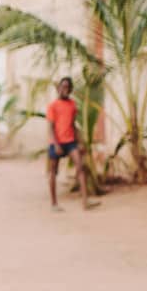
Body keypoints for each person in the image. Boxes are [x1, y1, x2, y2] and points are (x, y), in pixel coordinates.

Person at [46, 77, 99, 211]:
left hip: (70, 142)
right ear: (58, 88)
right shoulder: (53, 106)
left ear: (70, 89)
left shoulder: (72, 105)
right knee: (53, 171)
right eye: (62, 86)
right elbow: (51, 127)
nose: (65, 89)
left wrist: (81, 142)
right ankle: (54, 204)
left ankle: (85, 202)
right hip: (56, 143)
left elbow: (73, 125)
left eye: (68, 87)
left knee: (80, 167)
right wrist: (56, 144)